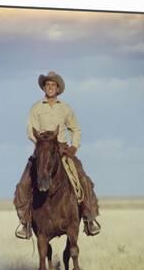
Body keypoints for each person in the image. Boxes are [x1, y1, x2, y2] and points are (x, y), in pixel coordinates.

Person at [13, 71, 101, 239]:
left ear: (58, 88)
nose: (50, 87)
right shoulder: (36, 108)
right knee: (23, 184)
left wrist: (74, 148)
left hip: (62, 150)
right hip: (42, 150)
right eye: (47, 85)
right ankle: (25, 222)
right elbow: (30, 130)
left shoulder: (65, 108)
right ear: (44, 88)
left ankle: (89, 217)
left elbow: (75, 129)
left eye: (53, 85)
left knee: (83, 179)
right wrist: (42, 143)